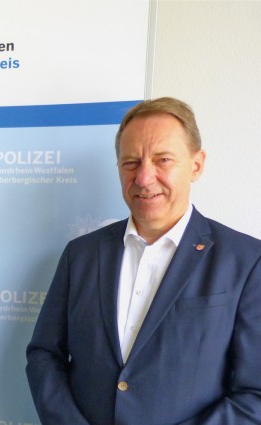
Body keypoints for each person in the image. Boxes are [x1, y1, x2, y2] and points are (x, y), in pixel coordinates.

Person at [26, 97, 261, 424]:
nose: (144, 178)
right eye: (131, 163)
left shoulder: (247, 261)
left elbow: (255, 393)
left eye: (163, 159)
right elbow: (44, 356)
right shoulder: (80, 255)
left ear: (196, 165)